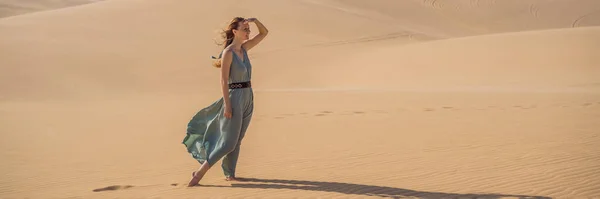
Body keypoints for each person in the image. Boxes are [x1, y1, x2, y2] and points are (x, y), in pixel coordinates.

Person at [182, 17, 268, 187]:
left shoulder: (244, 49)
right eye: (245, 29)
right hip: (234, 96)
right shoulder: (228, 53)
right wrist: (228, 105)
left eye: (248, 29)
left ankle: (230, 174)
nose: (248, 32)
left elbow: (264, 33)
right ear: (235, 31)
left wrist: (256, 21)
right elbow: (223, 81)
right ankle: (200, 173)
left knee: (239, 139)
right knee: (229, 143)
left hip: (248, 96)